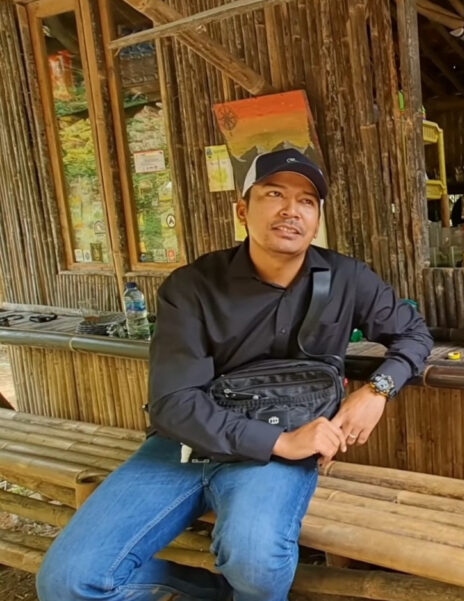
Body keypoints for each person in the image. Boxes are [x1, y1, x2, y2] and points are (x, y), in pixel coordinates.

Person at [36, 148, 434, 601]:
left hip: (278, 453)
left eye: (306, 201)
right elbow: (174, 402)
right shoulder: (192, 286)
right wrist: (281, 442)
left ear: (317, 217)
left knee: (256, 562)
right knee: (67, 582)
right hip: (185, 449)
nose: (291, 210)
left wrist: (377, 391)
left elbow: (414, 334)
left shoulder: (347, 277)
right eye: (274, 194)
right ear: (242, 210)